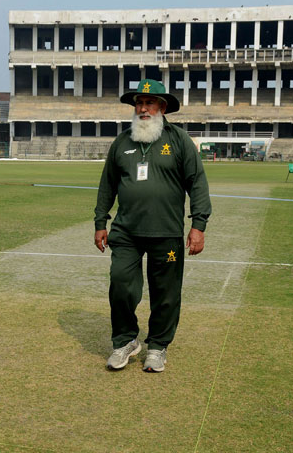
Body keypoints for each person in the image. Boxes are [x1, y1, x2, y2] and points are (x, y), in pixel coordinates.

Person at [94, 79, 212, 373]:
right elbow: (107, 185)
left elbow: (197, 183)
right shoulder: (122, 142)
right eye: (138, 103)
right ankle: (125, 341)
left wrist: (198, 225)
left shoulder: (179, 140)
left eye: (148, 103)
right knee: (120, 283)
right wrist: (100, 221)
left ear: (162, 107)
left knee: (166, 293)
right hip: (126, 233)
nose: (142, 108)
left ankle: (157, 346)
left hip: (167, 234)